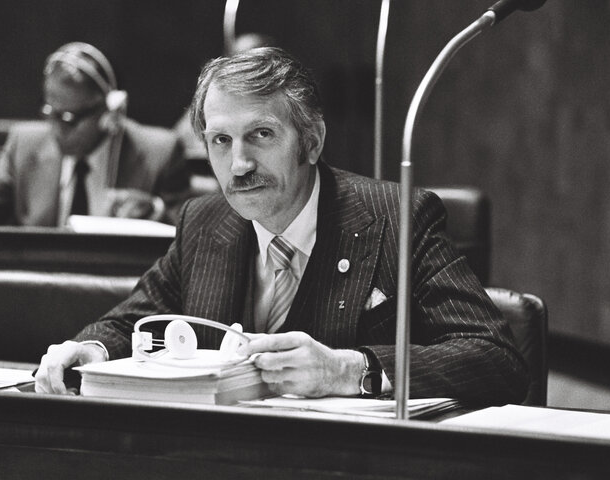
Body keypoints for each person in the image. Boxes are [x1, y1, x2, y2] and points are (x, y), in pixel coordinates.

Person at [35, 47, 528, 405]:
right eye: (221, 141)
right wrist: (88, 348)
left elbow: (495, 358)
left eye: (261, 135)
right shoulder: (203, 222)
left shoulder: (398, 218)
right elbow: (130, 322)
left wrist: (348, 369)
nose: (239, 164)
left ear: (311, 142)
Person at [0, 42, 190, 226]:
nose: (55, 129)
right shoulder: (25, 144)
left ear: (109, 112)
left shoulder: (160, 152)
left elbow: (194, 230)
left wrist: (156, 210)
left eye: (68, 119)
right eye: (50, 113)